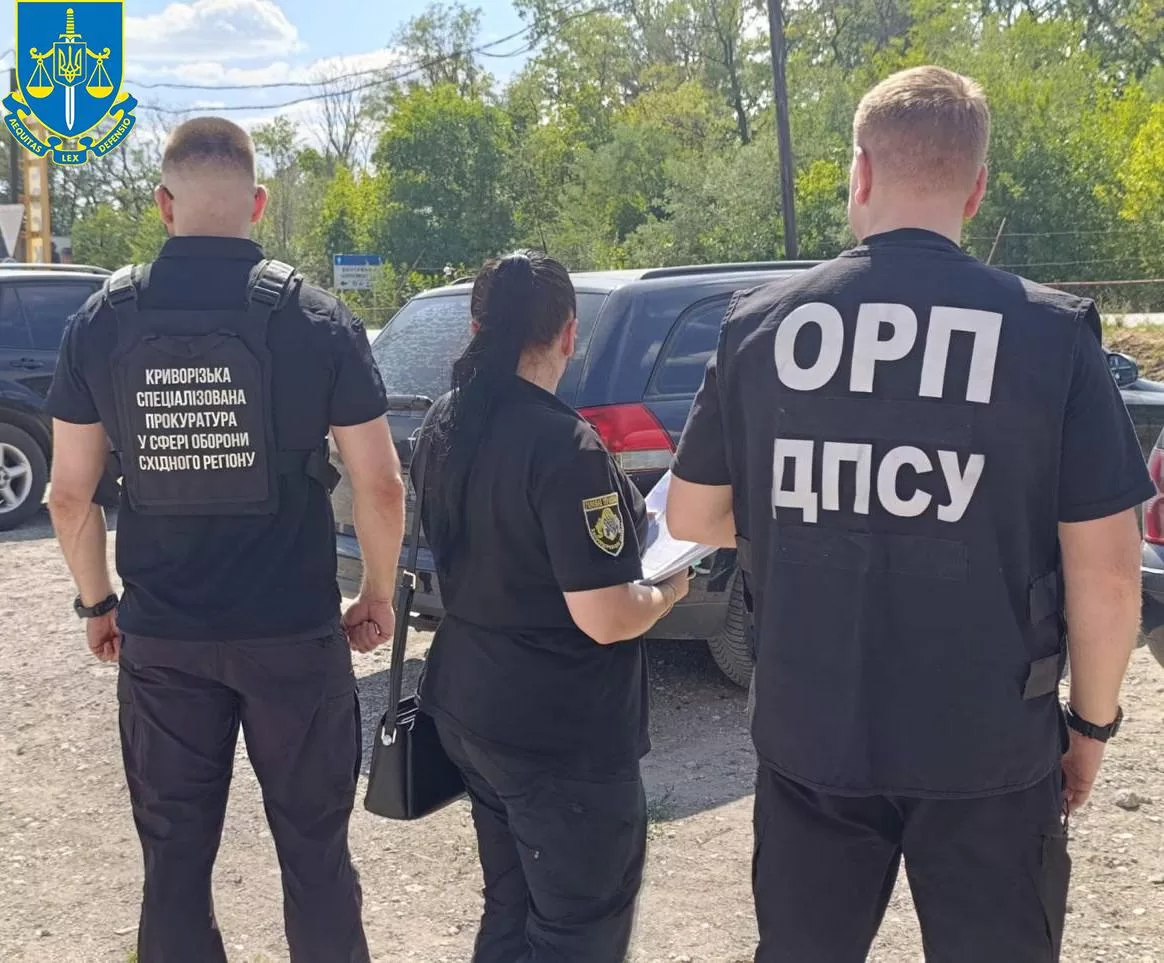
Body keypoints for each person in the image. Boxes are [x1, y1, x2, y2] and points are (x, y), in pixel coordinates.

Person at [666, 66, 1151, 962]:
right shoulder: (1051, 334)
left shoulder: (758, 324)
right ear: (976, 187)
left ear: (859, 172)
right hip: (989, 743)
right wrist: (1091, 727)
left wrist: (826, 513)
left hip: (814, 730)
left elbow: (694, 514)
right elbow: (1112, 576)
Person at [45, 117, 406, 963]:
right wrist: (377, 593)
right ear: (259, 203)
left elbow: (67, 495)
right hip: (293, 636)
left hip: (164, 640)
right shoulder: (317, 319)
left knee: (173, 866)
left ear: (164, 204)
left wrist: (98, 602)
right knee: (316, 859)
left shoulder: (101, 321)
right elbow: (381, 483)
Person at [412, 250, 689, 963]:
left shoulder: (445, 421)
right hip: (558, 730)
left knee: (510, 909)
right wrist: (666, 591)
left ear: (476, 326)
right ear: (569, 333)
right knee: (578, 931)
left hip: (470, 704)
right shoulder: (565, 444)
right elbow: (605, 615)